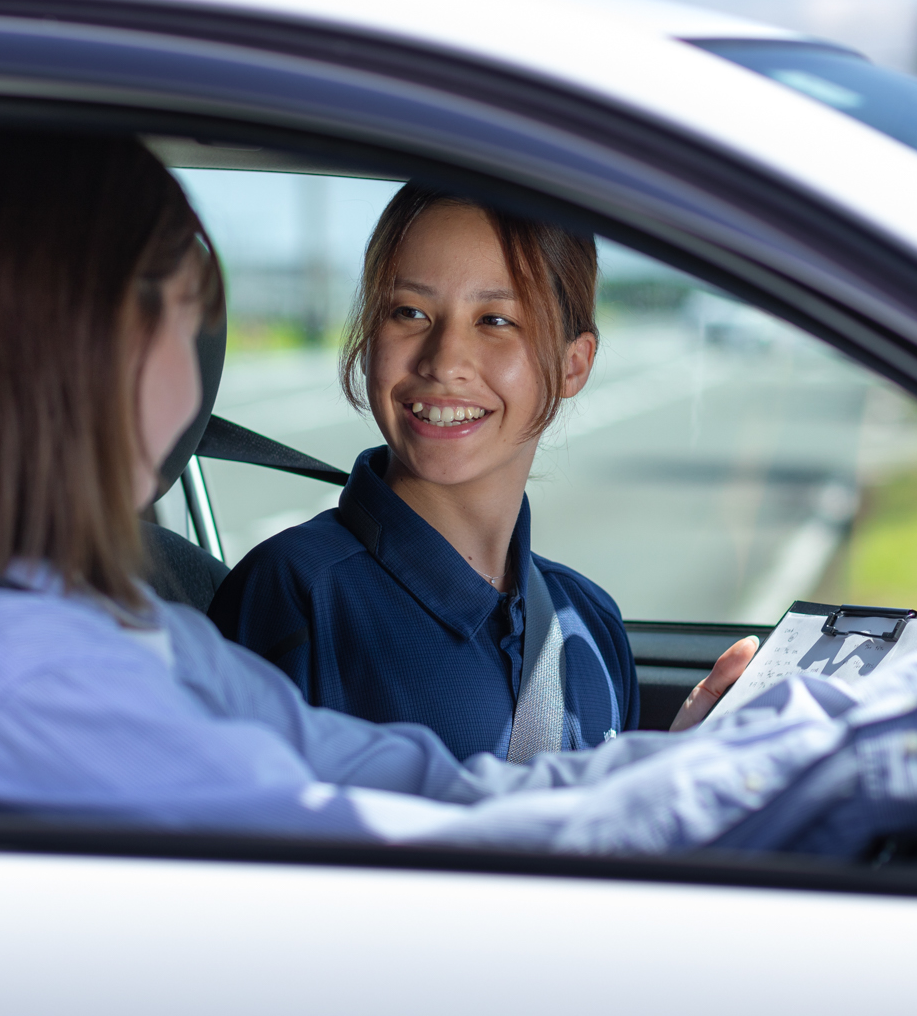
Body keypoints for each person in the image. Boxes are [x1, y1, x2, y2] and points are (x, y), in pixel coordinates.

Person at [0, 125, 917, 855]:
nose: (199, 365)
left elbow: (439, 789)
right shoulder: (10, 672)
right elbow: (428, 853)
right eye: (189, 315)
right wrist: (860, 752)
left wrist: (728, 751)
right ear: (83, 339)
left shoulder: (94, 630)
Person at [209, 186, 753, 760]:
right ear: (369, 337)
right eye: (409, 312)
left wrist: (674, 767)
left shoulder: (590, 619)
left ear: (574, 365)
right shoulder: (292, 595)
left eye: (495, 320)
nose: (444, 361)